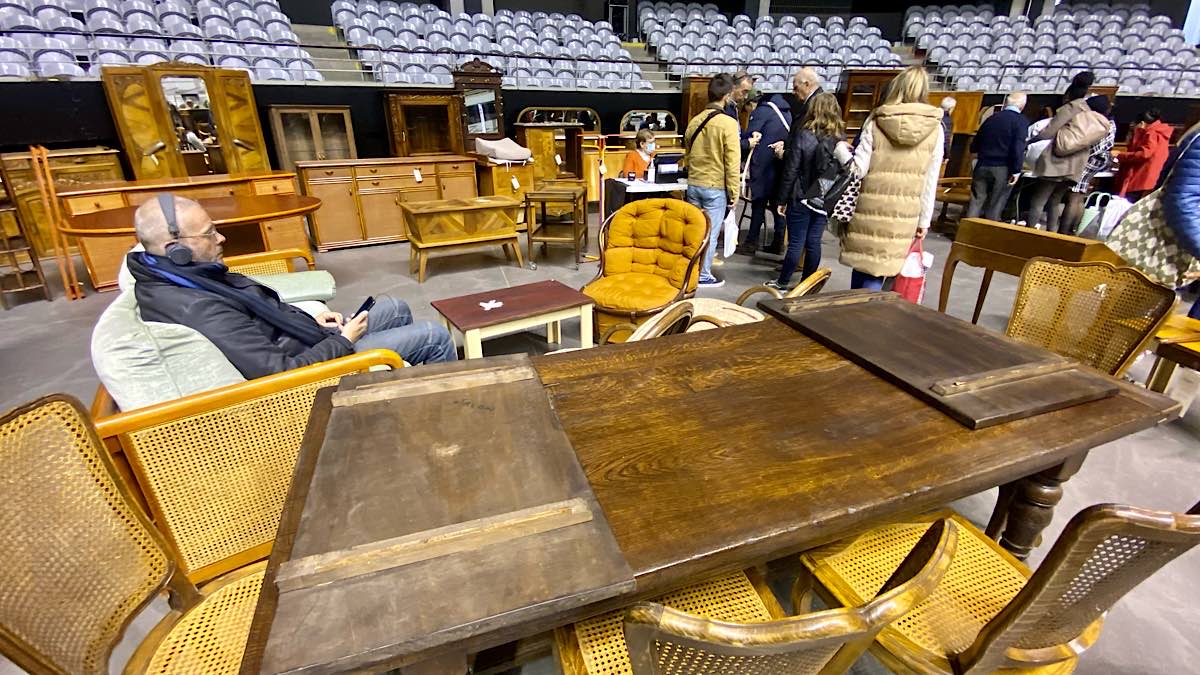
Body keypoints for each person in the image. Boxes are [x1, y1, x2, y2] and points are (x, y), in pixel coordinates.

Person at [125, 195, 456, 380]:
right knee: (434, 335)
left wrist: (311, 321)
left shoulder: (181, 275)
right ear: (175, 247)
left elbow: (263, 318)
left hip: (309, 338)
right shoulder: (197, 307)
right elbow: (280, 372)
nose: (221, 238)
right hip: (315, 368)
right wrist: (344, 340)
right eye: (210, 234)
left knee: (394, 306)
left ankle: (402, 382)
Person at [841, 66, 944, 290]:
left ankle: (856, 317)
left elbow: (858, 169)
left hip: (869, 207)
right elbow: (930, 180)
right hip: (904, 213)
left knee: (863, 268)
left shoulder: (876, 120)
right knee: (880, 273)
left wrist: (840, 150)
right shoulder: (936, 129)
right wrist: (924, 220)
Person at [769, 92, 847, 290]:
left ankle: (783, 282)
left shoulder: (804, 134)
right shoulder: (839, 138)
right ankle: (808, 284)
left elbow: (791, 169)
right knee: (814, 241)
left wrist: (782, 199)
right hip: (824, 197)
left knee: (796, 242)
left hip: (801, 194)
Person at [683, 73, 742, 289]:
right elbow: (732, 163)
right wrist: (734, 194)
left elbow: (688, 152)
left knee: (694, 231)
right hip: (715, 187)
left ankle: (688, 271)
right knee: (710, 233)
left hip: (694, 184)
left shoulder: (695, 120)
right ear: (727, 96)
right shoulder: (728, 123)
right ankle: (703, 274)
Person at [1024, 71, 1095, 232]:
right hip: (1076, 164)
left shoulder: (1070, 108)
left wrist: (1031, 140)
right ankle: (1051, 233)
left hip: (1058, 162)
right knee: (1055, 200)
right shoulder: (1088, 110)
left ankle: (1028, 233)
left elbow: (1050, 130)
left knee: (1038, 201)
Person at [737, 90, 792, 256]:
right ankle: (778, 242)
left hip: (763, 165)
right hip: (781, 165)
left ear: (751, 103)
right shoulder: (787, 112)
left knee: (759, 204)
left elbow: (750, 136)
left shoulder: (762, 111)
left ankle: (751, 242)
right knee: (777, 206)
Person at [966, 92, 1030, 221]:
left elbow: (974, 145)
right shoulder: (1020, 121)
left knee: (976, 201)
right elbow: (1018, 148)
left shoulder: (991, 118)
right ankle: (987, 236)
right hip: (1002, 168)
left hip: (982, 164)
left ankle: (967, 232)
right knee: (995, 204)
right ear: (1023, 106)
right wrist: (1016, 170)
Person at [1059, 95, 1117, 234]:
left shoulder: (1097, 123)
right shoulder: (1111, 124)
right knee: (1080, 196)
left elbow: (1088, 144)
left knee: (1073, 196)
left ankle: (1063, 231)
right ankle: (1074, 230)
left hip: (1088, 160)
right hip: (1098, 162)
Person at [1116, 108, 1172, 201]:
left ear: (1142, 123)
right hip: (1152, 176)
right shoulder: (1160, 132)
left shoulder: (1151, 133)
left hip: (1142, 176)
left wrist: (1120, 155)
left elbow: (1145, 154)